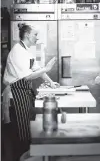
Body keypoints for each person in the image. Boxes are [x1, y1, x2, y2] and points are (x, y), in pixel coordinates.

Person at [2, 23, 59, 161]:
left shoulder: (26, 50)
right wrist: (46, 69)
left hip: (23, 94)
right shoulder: (17, 51)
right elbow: (27, 76)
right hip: (15, 97)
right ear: (27, 35)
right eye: (35, 35)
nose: (37, 38)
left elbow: (36, 69)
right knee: (20, 136)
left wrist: (51, 82)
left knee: (26, 133)